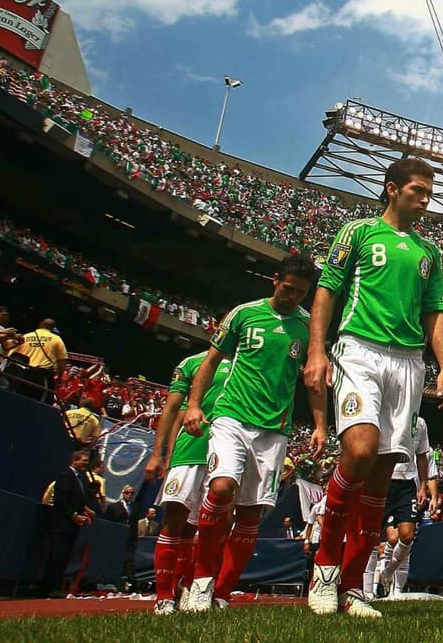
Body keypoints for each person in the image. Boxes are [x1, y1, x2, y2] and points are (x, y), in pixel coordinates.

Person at [303, 157, 443, 618]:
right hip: (359, 350)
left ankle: (352, 588)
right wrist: (316, 349)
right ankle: (324, 570)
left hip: (408, 362)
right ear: (391, 189)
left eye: (429, 193)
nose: (425, 201)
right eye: (416, 191)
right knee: (361, 451)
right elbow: (328, 288)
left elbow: (435, 311)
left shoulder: (429, 252)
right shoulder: (358, 232)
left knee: (382, 476)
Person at [180, 254, 326, 612]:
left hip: (274, 429)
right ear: (275, 280)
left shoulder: (308, 327)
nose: (293, 297)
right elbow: (211, 360)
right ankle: (200, 582)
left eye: (300, 293)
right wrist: (195, 405)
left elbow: (313, 380)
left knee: (250, 514)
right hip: (231, 416)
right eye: (288, 289)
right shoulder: (244, 313)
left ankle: (222, 592)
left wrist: (321, 425)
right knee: (220, 488)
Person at [143, 349, 234, 615]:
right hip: (191, 450)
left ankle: (191, 586)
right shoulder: (193, 363)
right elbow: (174, 410)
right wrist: (160, 454)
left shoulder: (248, 361)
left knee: (216, 526)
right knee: (176, 522)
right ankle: (163, 595)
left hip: (227, 452)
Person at [373, 416, 433, 597]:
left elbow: (422, 456)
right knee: (373, 534)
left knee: (407, 535)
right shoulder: (384, 415)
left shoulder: (420, 423)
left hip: (407, 483)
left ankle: (387, 572)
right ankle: (366, 589)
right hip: (383, 479)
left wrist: (423, 486)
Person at [40, 450, 95, 598]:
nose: (86, 463)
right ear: (74, 461)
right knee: (57, 556)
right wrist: (74, 515)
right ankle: (50, 588)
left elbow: (77, 499)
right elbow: (61, 500)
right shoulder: (66, 476)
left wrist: (86, 510)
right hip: (62, 524)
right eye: (83, 460)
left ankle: (56, 587)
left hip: (71, 526)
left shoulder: (80, 478)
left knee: (64, 557)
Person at [5, 318, 66, 401]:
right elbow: (62, 360)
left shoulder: (26, 336)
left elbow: (11, 353)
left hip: (21, 373)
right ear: (52, 328)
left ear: (40, 325)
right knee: (40, 401)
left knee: (17, 398)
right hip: (41, 376)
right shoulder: (56, 339)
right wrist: (59, 376)